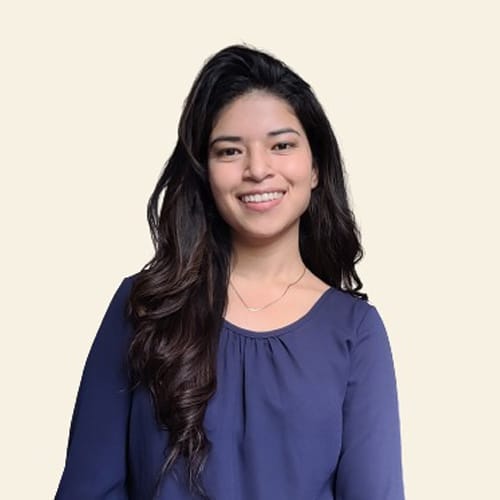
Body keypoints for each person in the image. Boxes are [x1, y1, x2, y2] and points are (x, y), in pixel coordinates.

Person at [55, 44, 406, 500]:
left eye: (281, 145)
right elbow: (87, 489)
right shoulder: (145, 307)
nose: (257, 169)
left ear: (315, 167)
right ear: (205, 172)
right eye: (230, 151)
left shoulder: (355, 332)